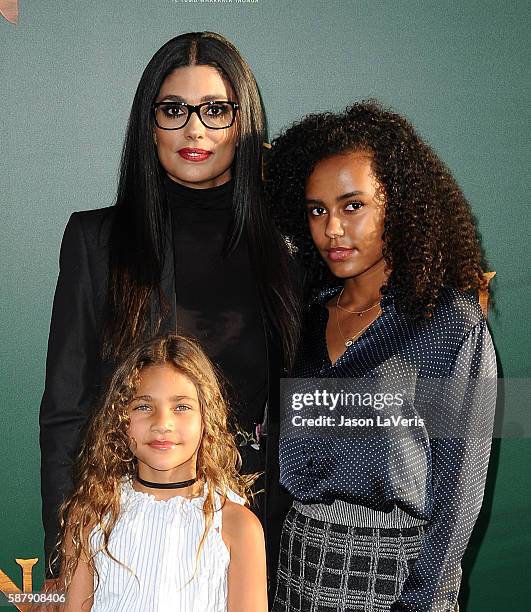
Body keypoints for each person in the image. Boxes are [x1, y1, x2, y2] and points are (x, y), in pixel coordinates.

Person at [39, 31, 298, 596]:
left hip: (258, 531)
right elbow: (65, 411)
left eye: (215, 110)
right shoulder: (96, 240)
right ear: (149, 123)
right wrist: (62, 564)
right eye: (174, 109)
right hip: (126, 533)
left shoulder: (288, 247)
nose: (195, 129)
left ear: (243, 121)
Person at [266, 101, 497, 611]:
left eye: (353, 206)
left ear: (399, 205)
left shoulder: (448, 324)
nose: (331, 230)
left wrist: (423, 601)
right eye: (316, 209)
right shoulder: (303, 320)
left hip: (397, 579)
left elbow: (458, 494)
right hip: (296, 571)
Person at [55, 334, 267, 611]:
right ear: (121, 418)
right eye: (144, 406)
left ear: (207, 417)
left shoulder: (237, 526)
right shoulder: (91, 515)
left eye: (181, 407)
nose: (162, 423)